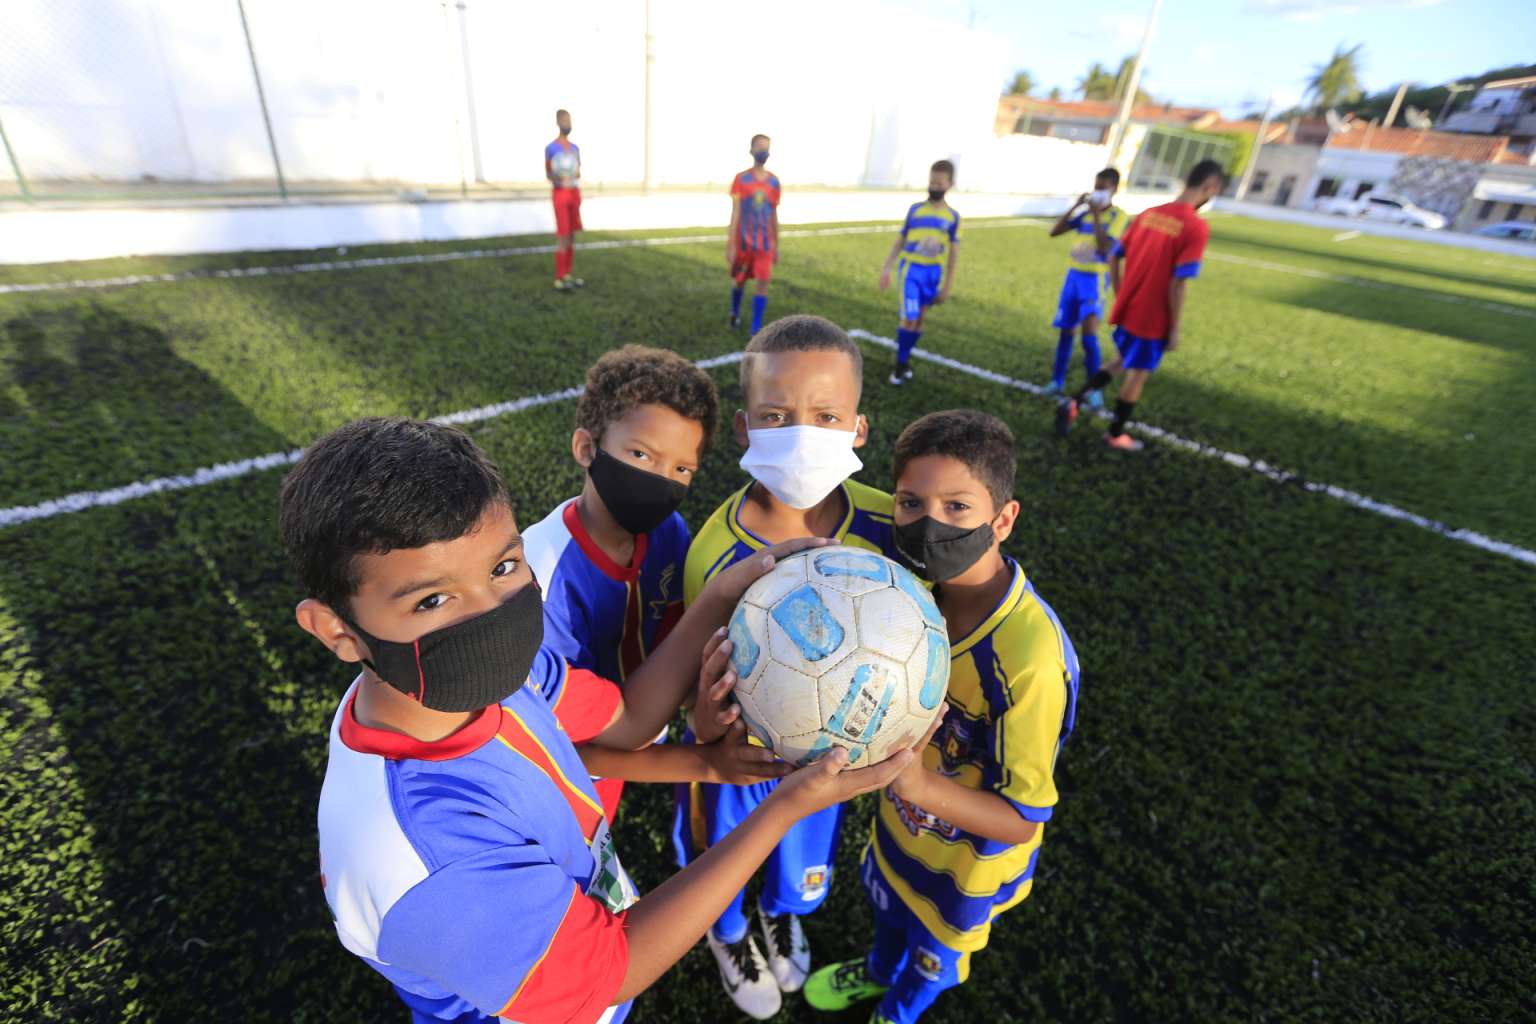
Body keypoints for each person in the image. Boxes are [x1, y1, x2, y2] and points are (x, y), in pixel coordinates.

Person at [284, 416, 922, 1024]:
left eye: (504, 567)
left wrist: (706, 741)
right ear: (337, 630)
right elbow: (612, 967)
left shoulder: (477, 678)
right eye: (433, 598)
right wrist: (781, 809)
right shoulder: (426, 856)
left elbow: (616, 726)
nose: (492, 616)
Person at [804, 409, 1081, 1024]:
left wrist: (919, 785)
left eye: (958, 507)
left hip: (965, 867)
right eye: (910, 503)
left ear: (1003, 520)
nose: (930, 523)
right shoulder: (909, 593)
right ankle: (877, 972)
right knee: (889, 909)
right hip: (901, 827)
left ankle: (898, 1012)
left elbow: (1021, 818)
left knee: (931, 955)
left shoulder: (1028, 662)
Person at [674, 314, 897, 1019]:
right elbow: (688, 680)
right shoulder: (713, 551)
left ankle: (779, 911)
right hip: (736, 752)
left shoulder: (888, 526)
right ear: (743, 428)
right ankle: (728, 927)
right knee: (723, 850)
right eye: (777, 416)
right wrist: (703, 720)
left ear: (859, 428)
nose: (803, 433)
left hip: (826, 753)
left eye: (826, 416)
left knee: (803, 842)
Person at [524, 344, 732, 820]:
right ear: (586, 448)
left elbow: (677, 632)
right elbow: (556, 745)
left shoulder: (669, 532)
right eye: (640, 454)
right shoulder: (542, 575)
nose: (662, 481)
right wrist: (702, 763)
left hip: (628, 749)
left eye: (681, 469)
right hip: (558, 775)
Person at [1055, 159, 1228, 451]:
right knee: (1137, 374)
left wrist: (1122, 292)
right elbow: (1178, 283)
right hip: (1154, 315)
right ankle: (1116, 433)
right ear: (1210, 187)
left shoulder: (1149, 214)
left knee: (1122, 361)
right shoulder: (1195, 227)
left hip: (1129, 307)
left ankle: (1074, 401)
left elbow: (1113, 256)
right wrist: (1174, 328)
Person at [1045, 168, 1125, 405]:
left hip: (1094, 281)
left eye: (1103, 188)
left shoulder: (1117, 216)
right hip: (1073, 278)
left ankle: (1093, 389)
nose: (1098, 192)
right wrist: (1076, 207)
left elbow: (1104, 247)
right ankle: (1056, 381)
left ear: (1114, 189)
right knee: (1066, 332)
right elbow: (1055, 231)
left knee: (1088, 335)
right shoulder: (1085, 214)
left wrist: (1097, 215)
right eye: (1096, 187)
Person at [878, 160, 960, 387]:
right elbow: (900, 240)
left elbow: (954, 252)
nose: (934, 186)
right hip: (911, 270)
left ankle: (905, 360)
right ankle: (900, 365)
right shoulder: (915, 210)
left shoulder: (952, 217)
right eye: (931, 181)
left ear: (949, 184)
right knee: (910, 318)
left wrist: (947, 286)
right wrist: (887, 267)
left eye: (939, 183)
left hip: (933, 274)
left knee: (920, 319)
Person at [728, 135, 782, 333]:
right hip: (743, 243)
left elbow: (774, 214)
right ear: (751, 150)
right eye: (760, 147)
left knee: (763, 282)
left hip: (765, 245)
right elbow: (735, 212)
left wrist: (777, 244)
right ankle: (734, 312)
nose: (763, 152)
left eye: (767, 148)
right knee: (739, 281)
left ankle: (755, 327)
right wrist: (731, 244)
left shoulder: (774, 182)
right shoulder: (741, 179)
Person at [546, 108, 584, 291]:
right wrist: (560, 178)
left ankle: (568, 273)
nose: (568, 123)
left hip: (574, 194)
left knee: (572, 236)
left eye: (569, 119)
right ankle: (559, 277)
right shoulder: (552, 148)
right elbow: (549, 173)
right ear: (558, 122)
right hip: (560, 194)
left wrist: (574, 174)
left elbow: (578, 171)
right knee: (562, 235)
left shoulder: (575, 148)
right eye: (564, 120)